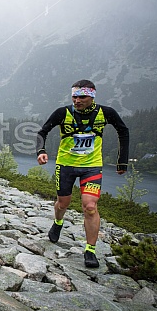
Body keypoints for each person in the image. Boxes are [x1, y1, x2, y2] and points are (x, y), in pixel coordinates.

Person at [35, 79, 129, 268]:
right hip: (66, 165)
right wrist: (41, 151)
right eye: (74, 97)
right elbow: (42, 132)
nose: (77, 100)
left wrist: (122, 161)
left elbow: (123, 131)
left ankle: (90, 251)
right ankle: (58, 222)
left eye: (82, 97)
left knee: (90, 206)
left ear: (92, 96)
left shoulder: (106, 113)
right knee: (63, 203)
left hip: (92, 166)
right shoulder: (63, 113)